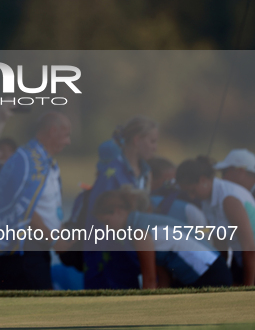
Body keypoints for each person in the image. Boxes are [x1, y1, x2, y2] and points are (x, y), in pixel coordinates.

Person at [0, 112, 71, 290]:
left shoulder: (42, 161)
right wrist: (54, 241)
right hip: (24, 253)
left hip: (35, 250)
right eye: (66, 135)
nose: (69, 141)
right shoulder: (28, 161)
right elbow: (22, 208)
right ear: (52, 131)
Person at [93, 188, 232, 289]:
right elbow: (162, 274)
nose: (107, 228)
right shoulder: (142, 221)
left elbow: (150, 279)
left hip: (210, 275)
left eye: (107, 222)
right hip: (213, 269)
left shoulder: (138, 231)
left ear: (118, 211)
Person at [83, 116, 158, 290]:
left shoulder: (146, 174)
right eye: (152, 141)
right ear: (137, 140)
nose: (155, 147)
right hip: (110, 258)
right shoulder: (112, 173)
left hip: (133, 255)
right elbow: (97, 219)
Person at [176, 156, 255, 286]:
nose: (192, 197)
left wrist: (248, 288)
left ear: (203, 180)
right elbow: (220, 241)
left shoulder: (228, 199)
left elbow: (250, 247)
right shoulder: (207, 200)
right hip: (241, 257)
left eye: (192, 191)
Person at [147, 157, 207, 226]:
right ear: (151, 179)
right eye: (169, 182)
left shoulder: (192, 210)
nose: (175, 186)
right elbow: (205, 235)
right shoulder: (191, 211)